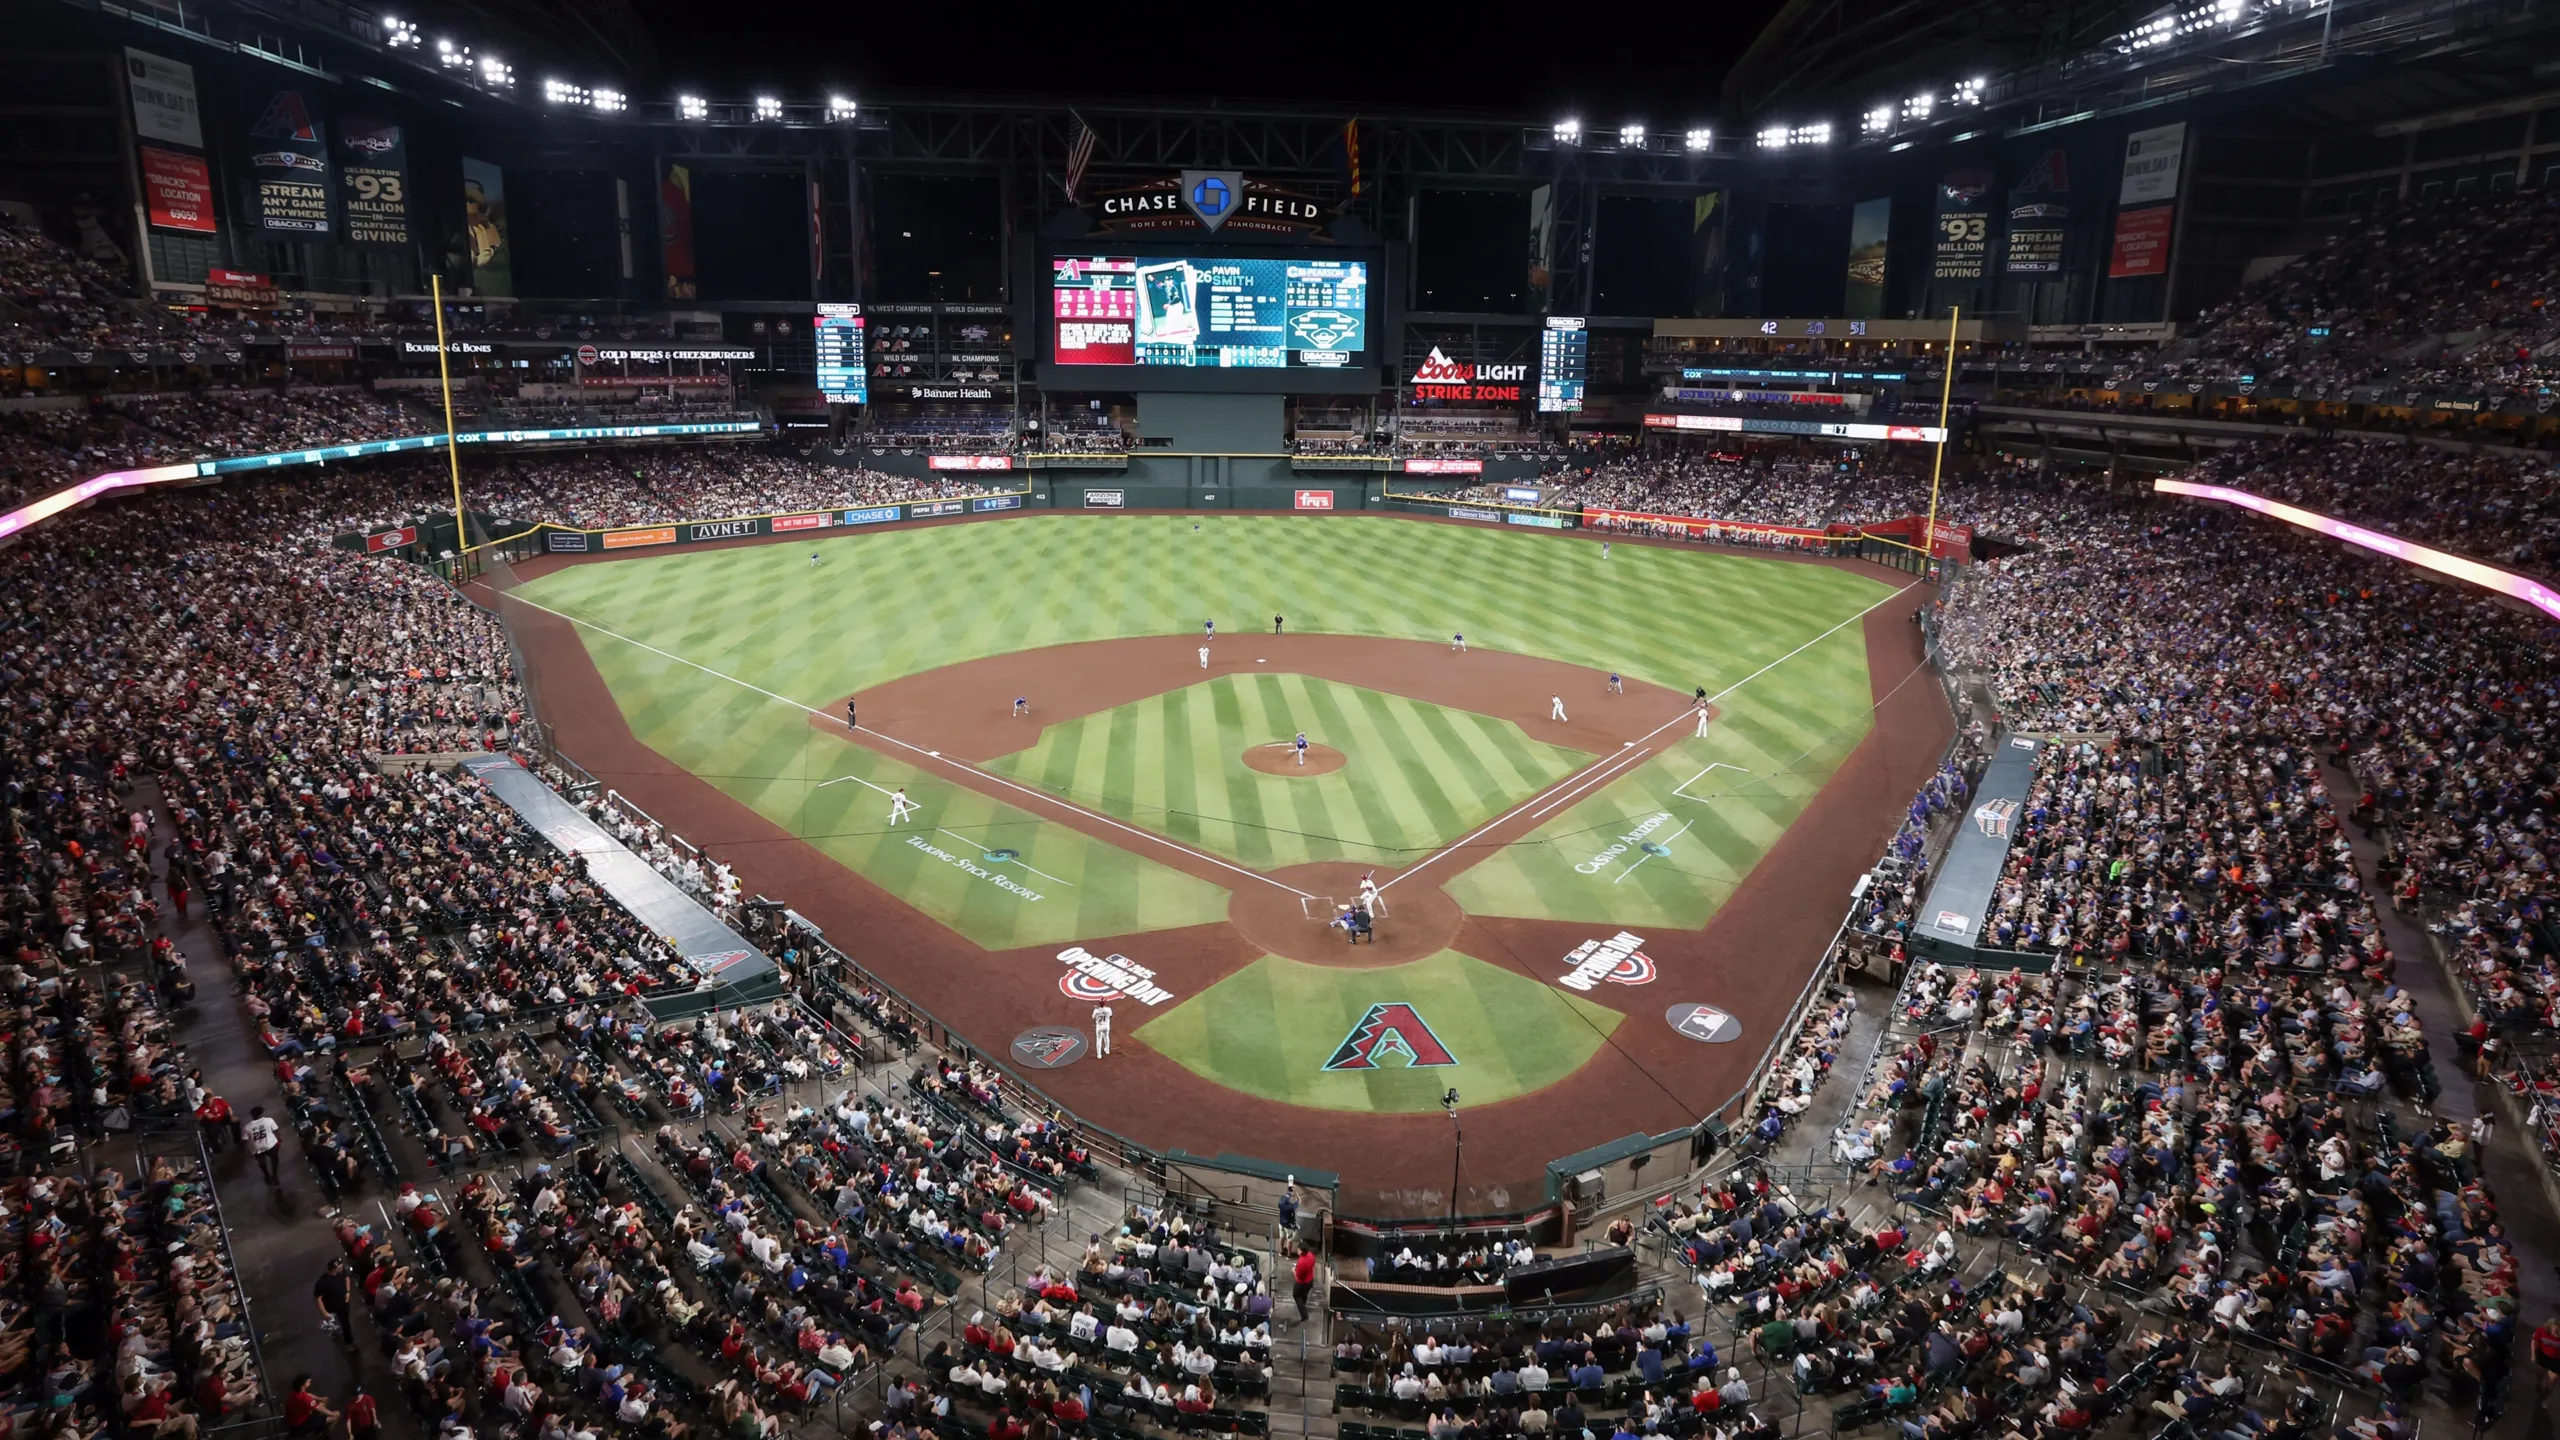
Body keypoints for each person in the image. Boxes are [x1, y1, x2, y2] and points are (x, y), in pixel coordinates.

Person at [314, 1259, 354, 1347]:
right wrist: (324, 1313)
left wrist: (347, 1291)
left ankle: (348, 1340)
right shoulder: (322, 1283)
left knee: (345, 1323)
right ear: (333, 1269)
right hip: (333, 1308)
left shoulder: (341, 1272)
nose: (342, 1267)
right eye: (339, 1266)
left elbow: (347, 1278)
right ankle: (346, 1341)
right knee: (341, 1324)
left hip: (344, 1305)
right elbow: (318, 1298)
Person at [245, 1105, 282, 1185]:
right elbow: (276, 1130)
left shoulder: (247, 1127)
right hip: (270, 1145)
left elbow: (244, 1139)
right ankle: (274, 1175)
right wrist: (279, 1139)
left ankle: (266, 1175)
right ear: (261, 1113)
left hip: (257, 1148)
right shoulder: (268, 1120)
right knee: (274, 1159)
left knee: (262, 1162)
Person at [1292, 1246, 1317, 1321]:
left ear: (1302, 1251)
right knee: (1304, 1294)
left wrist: (1293, 1270)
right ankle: (1303, 1305)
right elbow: (1312, 1264)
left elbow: (1298, 1277)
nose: (1297, 1250)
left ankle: (1304, 1315)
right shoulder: (1310, 1255)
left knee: (1296, 1295)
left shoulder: (1302, 1262)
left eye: (1299, 1249)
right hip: (1310, 1280)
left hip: (1302, 1283)